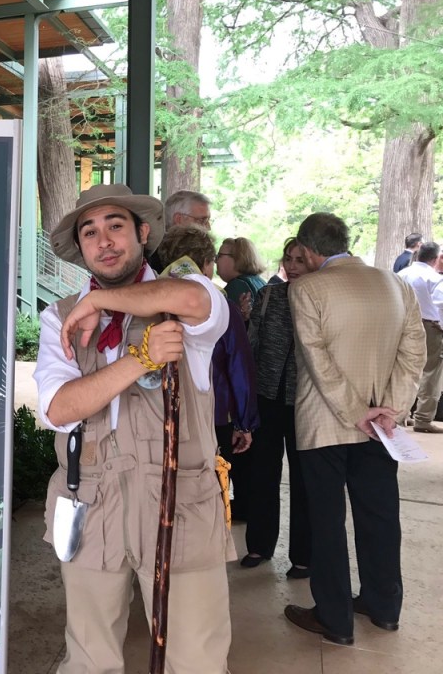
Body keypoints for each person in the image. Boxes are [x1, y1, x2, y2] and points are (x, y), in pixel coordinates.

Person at [35, 184, 234, 674]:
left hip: (179, 505)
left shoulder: (187, 297)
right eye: (90, 232)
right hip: (90, 504)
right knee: (88, 657)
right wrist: (138, 359)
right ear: (80, 247)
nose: (104, 240)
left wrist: (108, 301)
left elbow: (191, 297)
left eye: (116, 226)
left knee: (195, 659)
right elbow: (59, 409)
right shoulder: (58, 318)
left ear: (143, 233)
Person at [284, 212, 424, 647]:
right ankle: (384, 608)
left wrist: (353, 411)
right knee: (380, 516)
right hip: (379, 428)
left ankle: (334, 618)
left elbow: (315, 358)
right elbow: (414, 352)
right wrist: (389, 411)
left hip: (324, 423)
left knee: (327, 520)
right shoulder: (395, 284)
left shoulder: (306, 287)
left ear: (307, 251)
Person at [239, 238, 312, 578]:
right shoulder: (270, 295)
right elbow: (253, 342)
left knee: (303, 478)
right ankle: (259, 544)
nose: (293, 265)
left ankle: (303, 556)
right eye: (288, 258)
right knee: (262, 473)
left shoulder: (318, 297)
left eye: (300, 259)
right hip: (268, 397)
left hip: (305, 401)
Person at [155, 224, 256, 466]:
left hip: (159, 411)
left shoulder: (148, 298)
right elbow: (238, 365)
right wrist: (245, 422)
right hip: (213, 410)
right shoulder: (219, 303)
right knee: (211, 484)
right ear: (205, 263)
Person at [398, 241, 443, 434]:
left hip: (401, 323)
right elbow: (440, 305)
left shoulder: (401, 275)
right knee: (431, 372)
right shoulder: (434, 277)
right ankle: (423, 418)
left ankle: (401, 413)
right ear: (435, 259)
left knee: (403, 369)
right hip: (429, 325)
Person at [216, 236, 266, 311]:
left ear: (237, 258)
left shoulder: (237, 286)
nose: (215, 260)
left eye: (219, 256)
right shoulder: (259, 281)